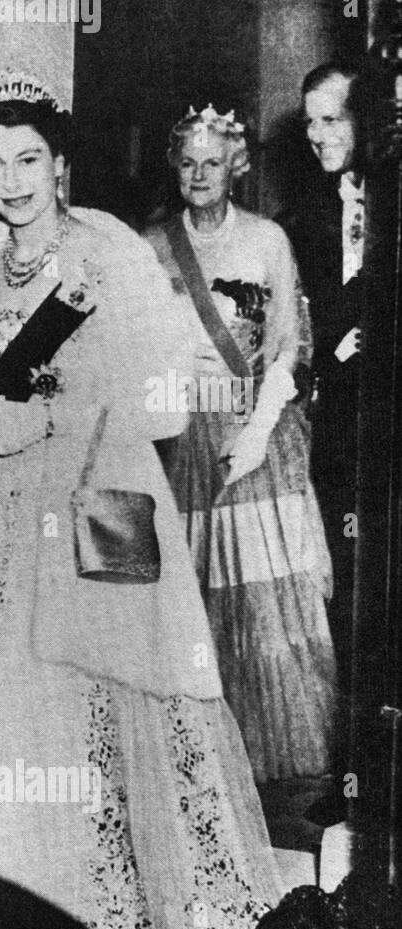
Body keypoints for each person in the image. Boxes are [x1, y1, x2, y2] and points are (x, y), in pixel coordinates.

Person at [0, 73, 283, 929]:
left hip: (96, 504)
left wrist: (38, 417)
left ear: (61, 165)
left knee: (111, 711)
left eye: (29, 160)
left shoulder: (107, 252)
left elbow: (165, 399)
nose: (12, 181)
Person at [143, 105, 335, 784]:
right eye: (188, 161)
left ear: (236, 168)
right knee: (192, 594)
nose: (200, 174)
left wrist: (257, 432)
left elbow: (291, 343)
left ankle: (265, 768)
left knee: (257, 594)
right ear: (176, 165)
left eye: (213, 162)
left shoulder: (266, 242)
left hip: (254, 430)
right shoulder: (150, 244)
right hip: (178, 434)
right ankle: (196, 758)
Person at [283, 62, 366, 822]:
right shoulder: (309, 211)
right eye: (310, 122)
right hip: (342, 433)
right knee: (351, 598)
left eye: (331, 119)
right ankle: (355, 778)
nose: (316, 136)